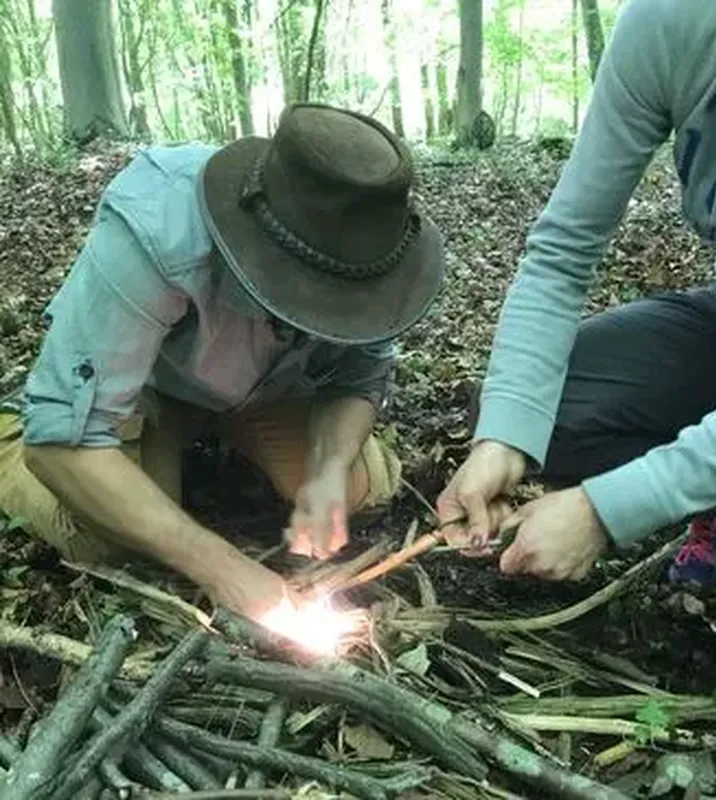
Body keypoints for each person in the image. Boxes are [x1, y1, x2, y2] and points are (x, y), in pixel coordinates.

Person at [0, 104, 444, 623]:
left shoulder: (372, 242)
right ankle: (16, 439)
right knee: (105, 536)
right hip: (145, 383)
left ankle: (198, 437)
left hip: (267, 389)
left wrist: (327, 469)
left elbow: (363, 371)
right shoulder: (158, 224)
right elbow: (59, 444)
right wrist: (221, 567)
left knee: (356, 492)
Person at [438, 0, 716, 586]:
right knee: (526, 409)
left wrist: (607, 510)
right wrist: (502, 439)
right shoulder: (679, 24)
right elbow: (564, 248)